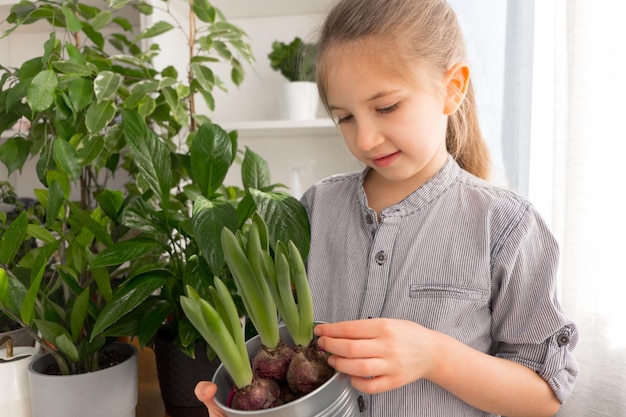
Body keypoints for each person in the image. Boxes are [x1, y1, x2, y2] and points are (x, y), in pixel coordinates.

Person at [195, 0, 579, 415]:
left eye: (386, 107)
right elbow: (291, 360)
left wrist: (434, 356)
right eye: (344, 117)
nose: (364, 140)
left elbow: (543, 397)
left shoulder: (506, 225)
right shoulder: (316, 208)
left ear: (452, 88)